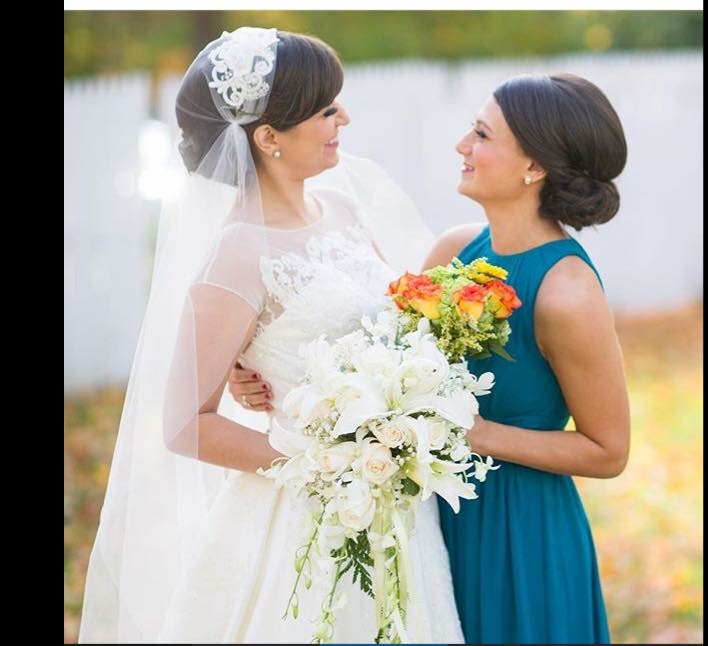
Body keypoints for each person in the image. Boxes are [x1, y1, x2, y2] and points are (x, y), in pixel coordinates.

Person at [79, 27, 463, 643]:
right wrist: (329, 463)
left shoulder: (343, 210)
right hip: (304, 519)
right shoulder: (238, 253)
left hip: (396, 509)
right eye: (326, 110)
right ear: (268, 138)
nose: (344, 118)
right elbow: (185, 424)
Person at [231, 72, 630, 644]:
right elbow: (382, 357)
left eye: (482, 135)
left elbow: (609, 450)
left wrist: (474, 433)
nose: (462, 146)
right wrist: (256, 371)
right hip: (424, 526)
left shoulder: (567, 292)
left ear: (534, 166)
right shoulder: (455, 250)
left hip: (518, 533)